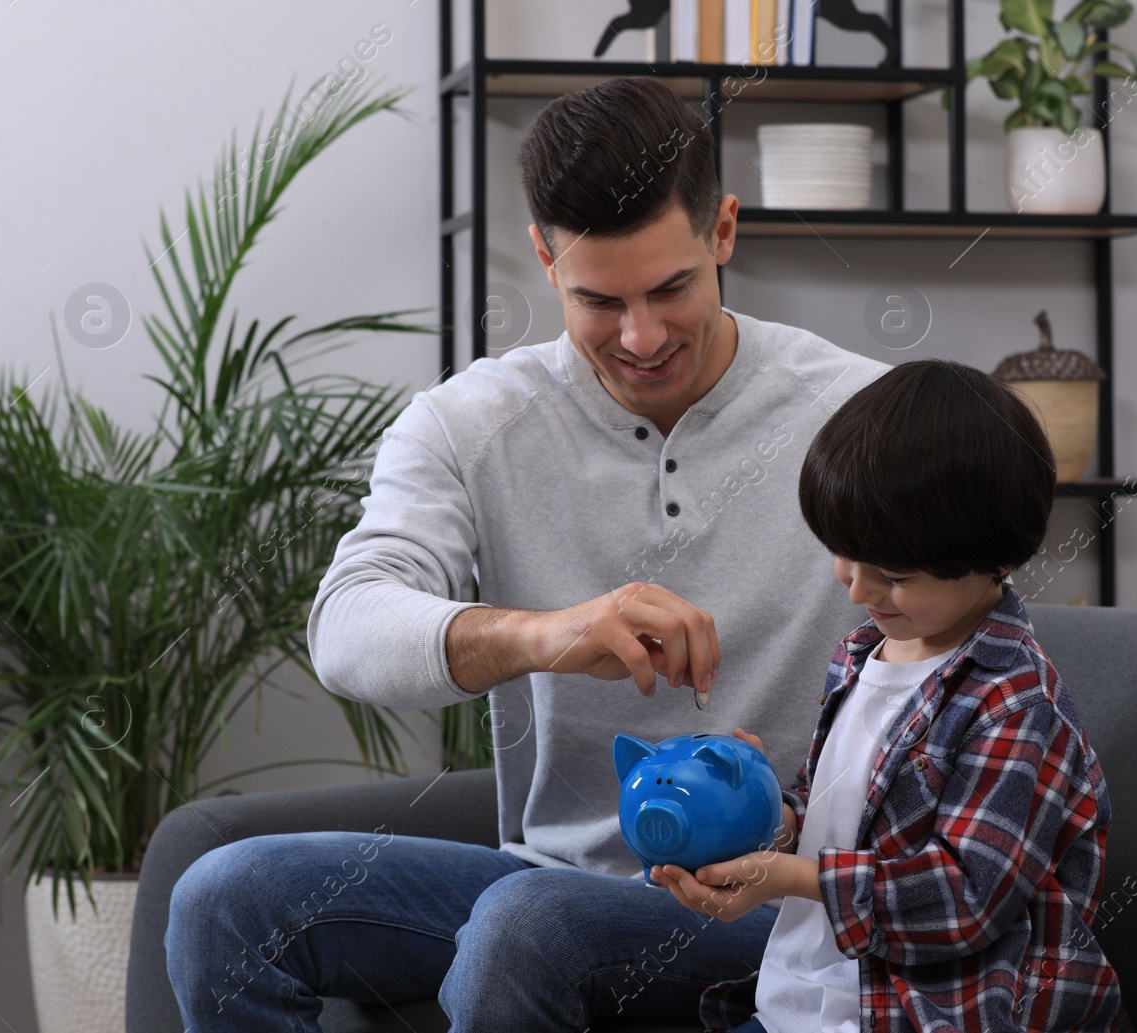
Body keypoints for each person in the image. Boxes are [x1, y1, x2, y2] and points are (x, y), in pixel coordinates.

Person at [163, 75, 892, 1031]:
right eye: (600, 299)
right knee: (225, 893)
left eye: (671, 287)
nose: (642, 336)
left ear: (722, 231)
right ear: (545, 259)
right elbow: (347, 626)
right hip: (549, 879)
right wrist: (540, 633)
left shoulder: (862, 414)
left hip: (778, 899)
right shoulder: (471, 424)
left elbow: (973, 648)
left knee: (526, 919)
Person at [650, 360, 1134, 1032]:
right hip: (807, 997)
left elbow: (965, 897)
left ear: (997, 557)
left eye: (894, 574)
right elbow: (844, 822)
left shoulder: (1016, 705)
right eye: (844, 556)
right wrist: (767, 814)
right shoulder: (858, 657)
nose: (857, 590)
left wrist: (792, 878)